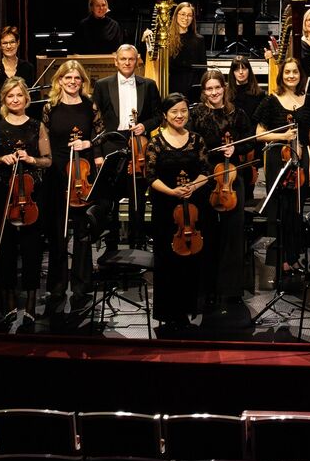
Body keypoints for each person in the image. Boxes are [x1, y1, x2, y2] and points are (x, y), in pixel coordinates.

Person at [0, 77, 51, 331]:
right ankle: (9, 302)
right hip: (3, 194)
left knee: (32, 248)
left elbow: (48, 160)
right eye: (10, 96)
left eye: (19, 95)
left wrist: (30, 158)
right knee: (6, 249)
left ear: (26, 99)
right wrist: (2, 159)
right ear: (4, 100)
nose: (15, 100)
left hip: (31, 195)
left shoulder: (36, 126)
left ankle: (30, 304)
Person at [191, 68, 254, 313]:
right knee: (208, 232)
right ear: (204, 91)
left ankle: (231, 289)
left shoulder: (236, 113)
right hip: (207, 179)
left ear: (224, 89)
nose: (214, 92)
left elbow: (249, 140)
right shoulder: (196, 114)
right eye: (209, 88)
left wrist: (235, 151)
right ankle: (207, 288)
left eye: (218, 87)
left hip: (231, 179)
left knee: (232, 235)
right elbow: (191, 142)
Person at [147, 93, 209, 334]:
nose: (179, 115)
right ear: (165, 115)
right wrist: (172, 191)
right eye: (174, 112)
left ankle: (188, 307)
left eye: (183, 110)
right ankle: (168, 312)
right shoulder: (156, 142)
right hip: (166, 211)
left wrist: (193, 186)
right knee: (167, 260)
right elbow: (150, 177)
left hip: (192, 210)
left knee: (191, 260)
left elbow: (205, 171)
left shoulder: (197, 140)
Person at [41, 58, 103, 303]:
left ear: (82, 81)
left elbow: (100, 135)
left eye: (77, 78)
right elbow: (43, 139)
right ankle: (56, 285)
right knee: (58, 232)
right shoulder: (50, 107)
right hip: (56, 172)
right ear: (59, 80)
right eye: (68, 77)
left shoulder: (90, 106)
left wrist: (88, 143)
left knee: (82, 231)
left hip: (83, 173)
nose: (73, 82)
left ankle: (82, 283)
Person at [255, 58, 310, 283]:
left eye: (295, 72)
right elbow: (260, 134)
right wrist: (282, 136)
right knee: (280, 211)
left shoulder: (309, 100)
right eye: (287, 72)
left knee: (296, 209)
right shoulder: (271, 101)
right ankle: (281, 259)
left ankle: (294, 256)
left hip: (300, 160)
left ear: (300, 75)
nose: (291, 76)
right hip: (278, 160)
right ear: (281, 75)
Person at [92, 44, 161, 250]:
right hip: (111, 144)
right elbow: (95, 122)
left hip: (139, 146)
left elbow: (158, 116)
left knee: (137, 199)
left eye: (131, 59)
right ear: (116, 61)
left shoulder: (148, 85)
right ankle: (111, 248)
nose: (127, 63)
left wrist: (145, 126)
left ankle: (137, 245)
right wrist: (97, 153)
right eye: (123, 59)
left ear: (137, 60)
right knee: (110, 200)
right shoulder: (103, 85)